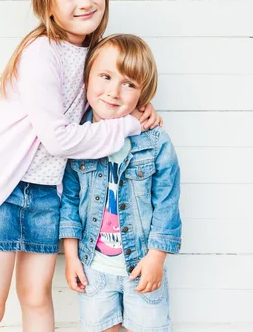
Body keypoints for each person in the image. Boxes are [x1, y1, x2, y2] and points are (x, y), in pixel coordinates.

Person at [0, 0, 162, 332]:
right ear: (46, 3)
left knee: (36, 299)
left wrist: (142, 110)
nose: (84, 1)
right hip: (2, 191)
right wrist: (130, 125)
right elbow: (59, 139)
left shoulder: (94, 54)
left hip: (47, 194)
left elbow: (105, 107)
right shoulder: (41, 52)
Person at [60, 34, 182, 332]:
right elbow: (70, 201)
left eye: (129, 84)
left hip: (142, 264)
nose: (114, 91)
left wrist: (156, 256)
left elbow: (166, 202)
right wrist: (72, 256)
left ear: (143, 94)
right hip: (94, 265)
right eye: (105, 76)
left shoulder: (155, 142)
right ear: (87, 78)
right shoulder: (78, 139)